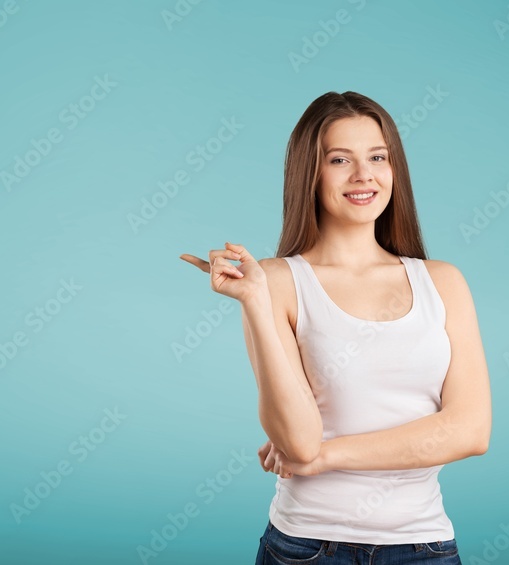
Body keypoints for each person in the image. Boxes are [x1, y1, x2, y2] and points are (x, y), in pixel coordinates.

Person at [179, 91, 491, 564]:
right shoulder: (275, 281)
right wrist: (255, 302)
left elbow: (470, 431)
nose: (364, 174)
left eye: (378, 157)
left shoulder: (443, 282)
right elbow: (299, 441)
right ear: (310, 172)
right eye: (340, 159)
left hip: (423, 547)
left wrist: (327, 456)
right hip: (305, 548)